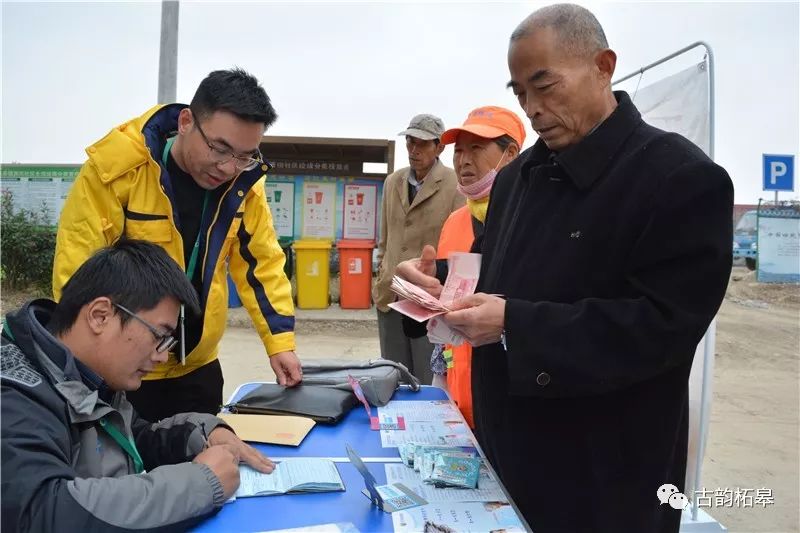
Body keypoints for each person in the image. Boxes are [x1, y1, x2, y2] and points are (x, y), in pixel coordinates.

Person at [396, 4, 733, 531]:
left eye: (544, 85)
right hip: (504, 452)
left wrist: (514, 323)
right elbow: (502, 273)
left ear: (604, 66)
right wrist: (439, 286)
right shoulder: (518, 178)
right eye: (519, 93)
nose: (532, 108)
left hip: (604, 475)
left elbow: (661, 327)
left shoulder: (680, 179)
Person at [53, 68, 301, 421]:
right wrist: (84, 364)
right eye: (219, 148)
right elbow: (78, 272)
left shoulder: (243, 188)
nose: (228, 167)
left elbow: (261, 264)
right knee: (122, 470)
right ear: (186, 121)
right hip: (122, 368)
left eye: (245, 156)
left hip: (196, 368)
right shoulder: (117, 172)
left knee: (204, 463)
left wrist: (279, 344)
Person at [1, 240, 274, 531]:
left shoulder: (80, 373)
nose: (161, 356)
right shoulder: (14, 394)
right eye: (160, 336)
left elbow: (132, 439)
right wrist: (201, 483)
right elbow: (42, 512)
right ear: (100, 316)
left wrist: (204, 433)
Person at [425, 106, 525, 427]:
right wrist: (440, 377)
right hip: (459, 400)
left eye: (476, 148)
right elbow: (447, 304)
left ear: (510, 154)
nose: (463, 160)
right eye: (459, 150)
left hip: (514, 406)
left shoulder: (534, 219)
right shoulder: (455, 221)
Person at [372, 114, 464, 384]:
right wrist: (381, 277)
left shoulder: (454, 184)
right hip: (390, 294)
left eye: (422, 144)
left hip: (427, 299)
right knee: (392, 375)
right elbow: (386, 239)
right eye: (410, 142)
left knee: (428, 378)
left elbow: (457, 245)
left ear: (439, 147)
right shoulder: (393, 182)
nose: (414, 150)